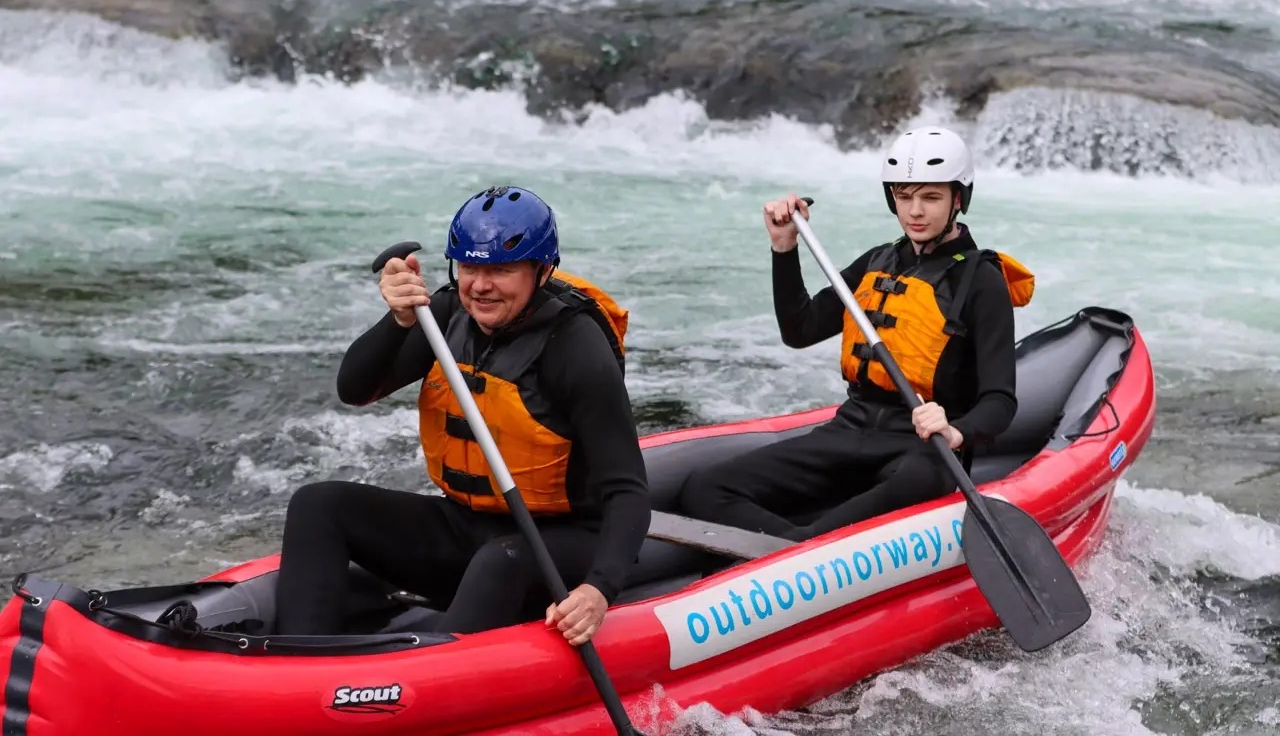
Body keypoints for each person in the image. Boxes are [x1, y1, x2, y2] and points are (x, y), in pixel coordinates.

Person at [274, 185, 650, 646]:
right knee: (319, 505)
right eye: (470, 267)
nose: (480, 286)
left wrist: (598, 590)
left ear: (541, 270)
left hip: (559, 543)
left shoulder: (575, 347)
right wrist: (399, 321)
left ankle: (425, 675)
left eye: (501, 270)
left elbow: (628, 490)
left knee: (500, 560)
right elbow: (354, 390)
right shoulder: (448, 314)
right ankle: (297, 658)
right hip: (467, 529)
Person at [679, 126, 1035, 541]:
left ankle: (798, 546)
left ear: (958, 199)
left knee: (918, 479)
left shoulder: (981, 281)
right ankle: (799, 546)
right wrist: (784, 248)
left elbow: (1000, 401)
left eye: (930, 197)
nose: (915, 211)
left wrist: (956, 430)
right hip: (850, 431)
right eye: (904, 196)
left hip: (921, 449)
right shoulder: (878, 262)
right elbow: (800, 329)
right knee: (703, 489)